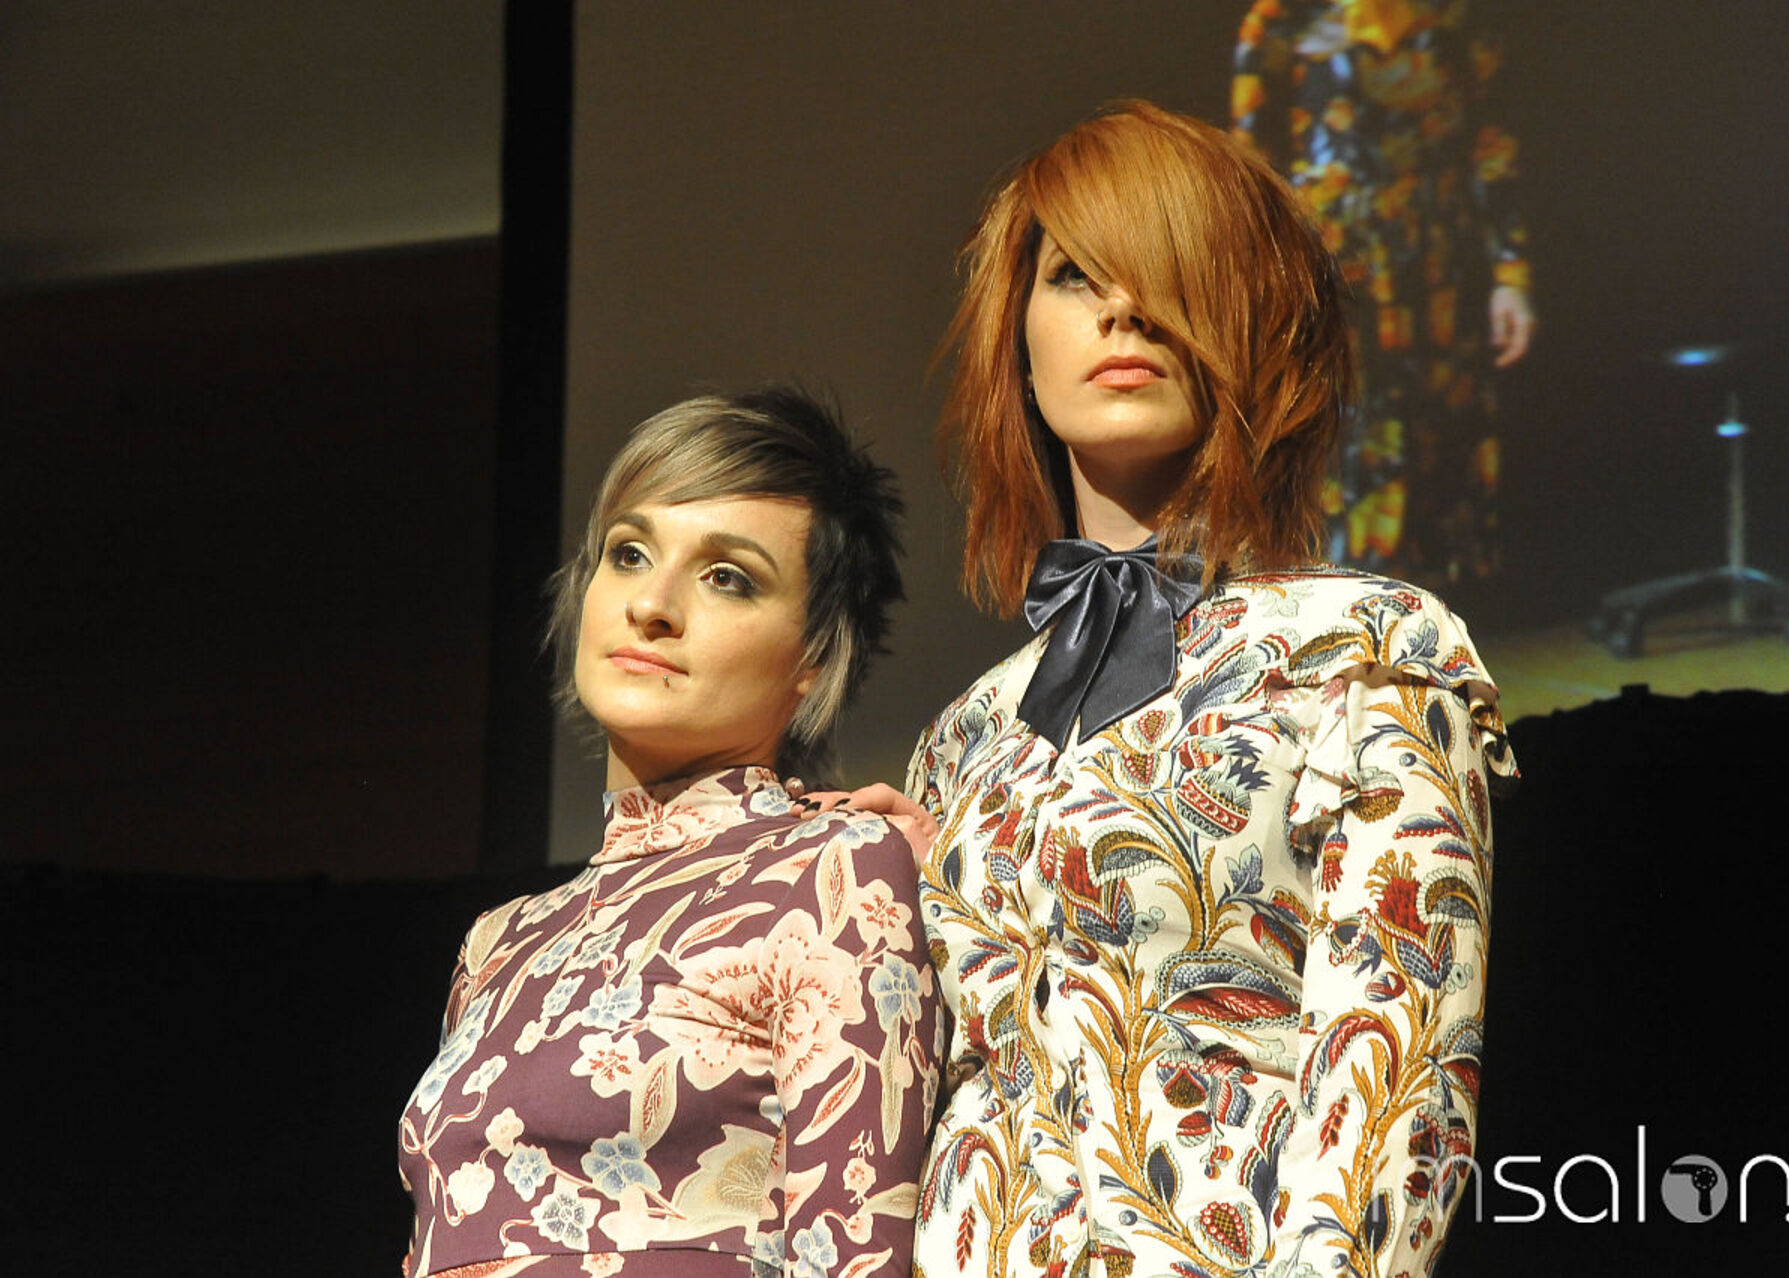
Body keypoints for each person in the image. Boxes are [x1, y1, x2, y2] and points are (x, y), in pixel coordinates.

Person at [906, 102, 1517, 1278]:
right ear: (1018, 343)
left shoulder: (1368, 650)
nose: (1123, 309)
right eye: (1076, 274)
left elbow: (1397, 1084)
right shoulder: (965, 738)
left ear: (1260, 322)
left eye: (1167, 269)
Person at [398, 388, 939, 1277]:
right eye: (628, 554)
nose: (652, 603)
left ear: (814, 655)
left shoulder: (835, 871)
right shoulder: (499, 943)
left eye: (727, 576)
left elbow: (850, 1249)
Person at [1231, 0, 1536, 585]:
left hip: (1438, 271)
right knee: (1348, 435)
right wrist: (1259, 274)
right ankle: (1344, 604)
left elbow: (1491, 146)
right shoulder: (1283, 18)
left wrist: (1510, 275)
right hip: (1330, 271)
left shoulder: (1457, 16)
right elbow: (1249, 161)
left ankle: (1431, 613)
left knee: (1435, 438)